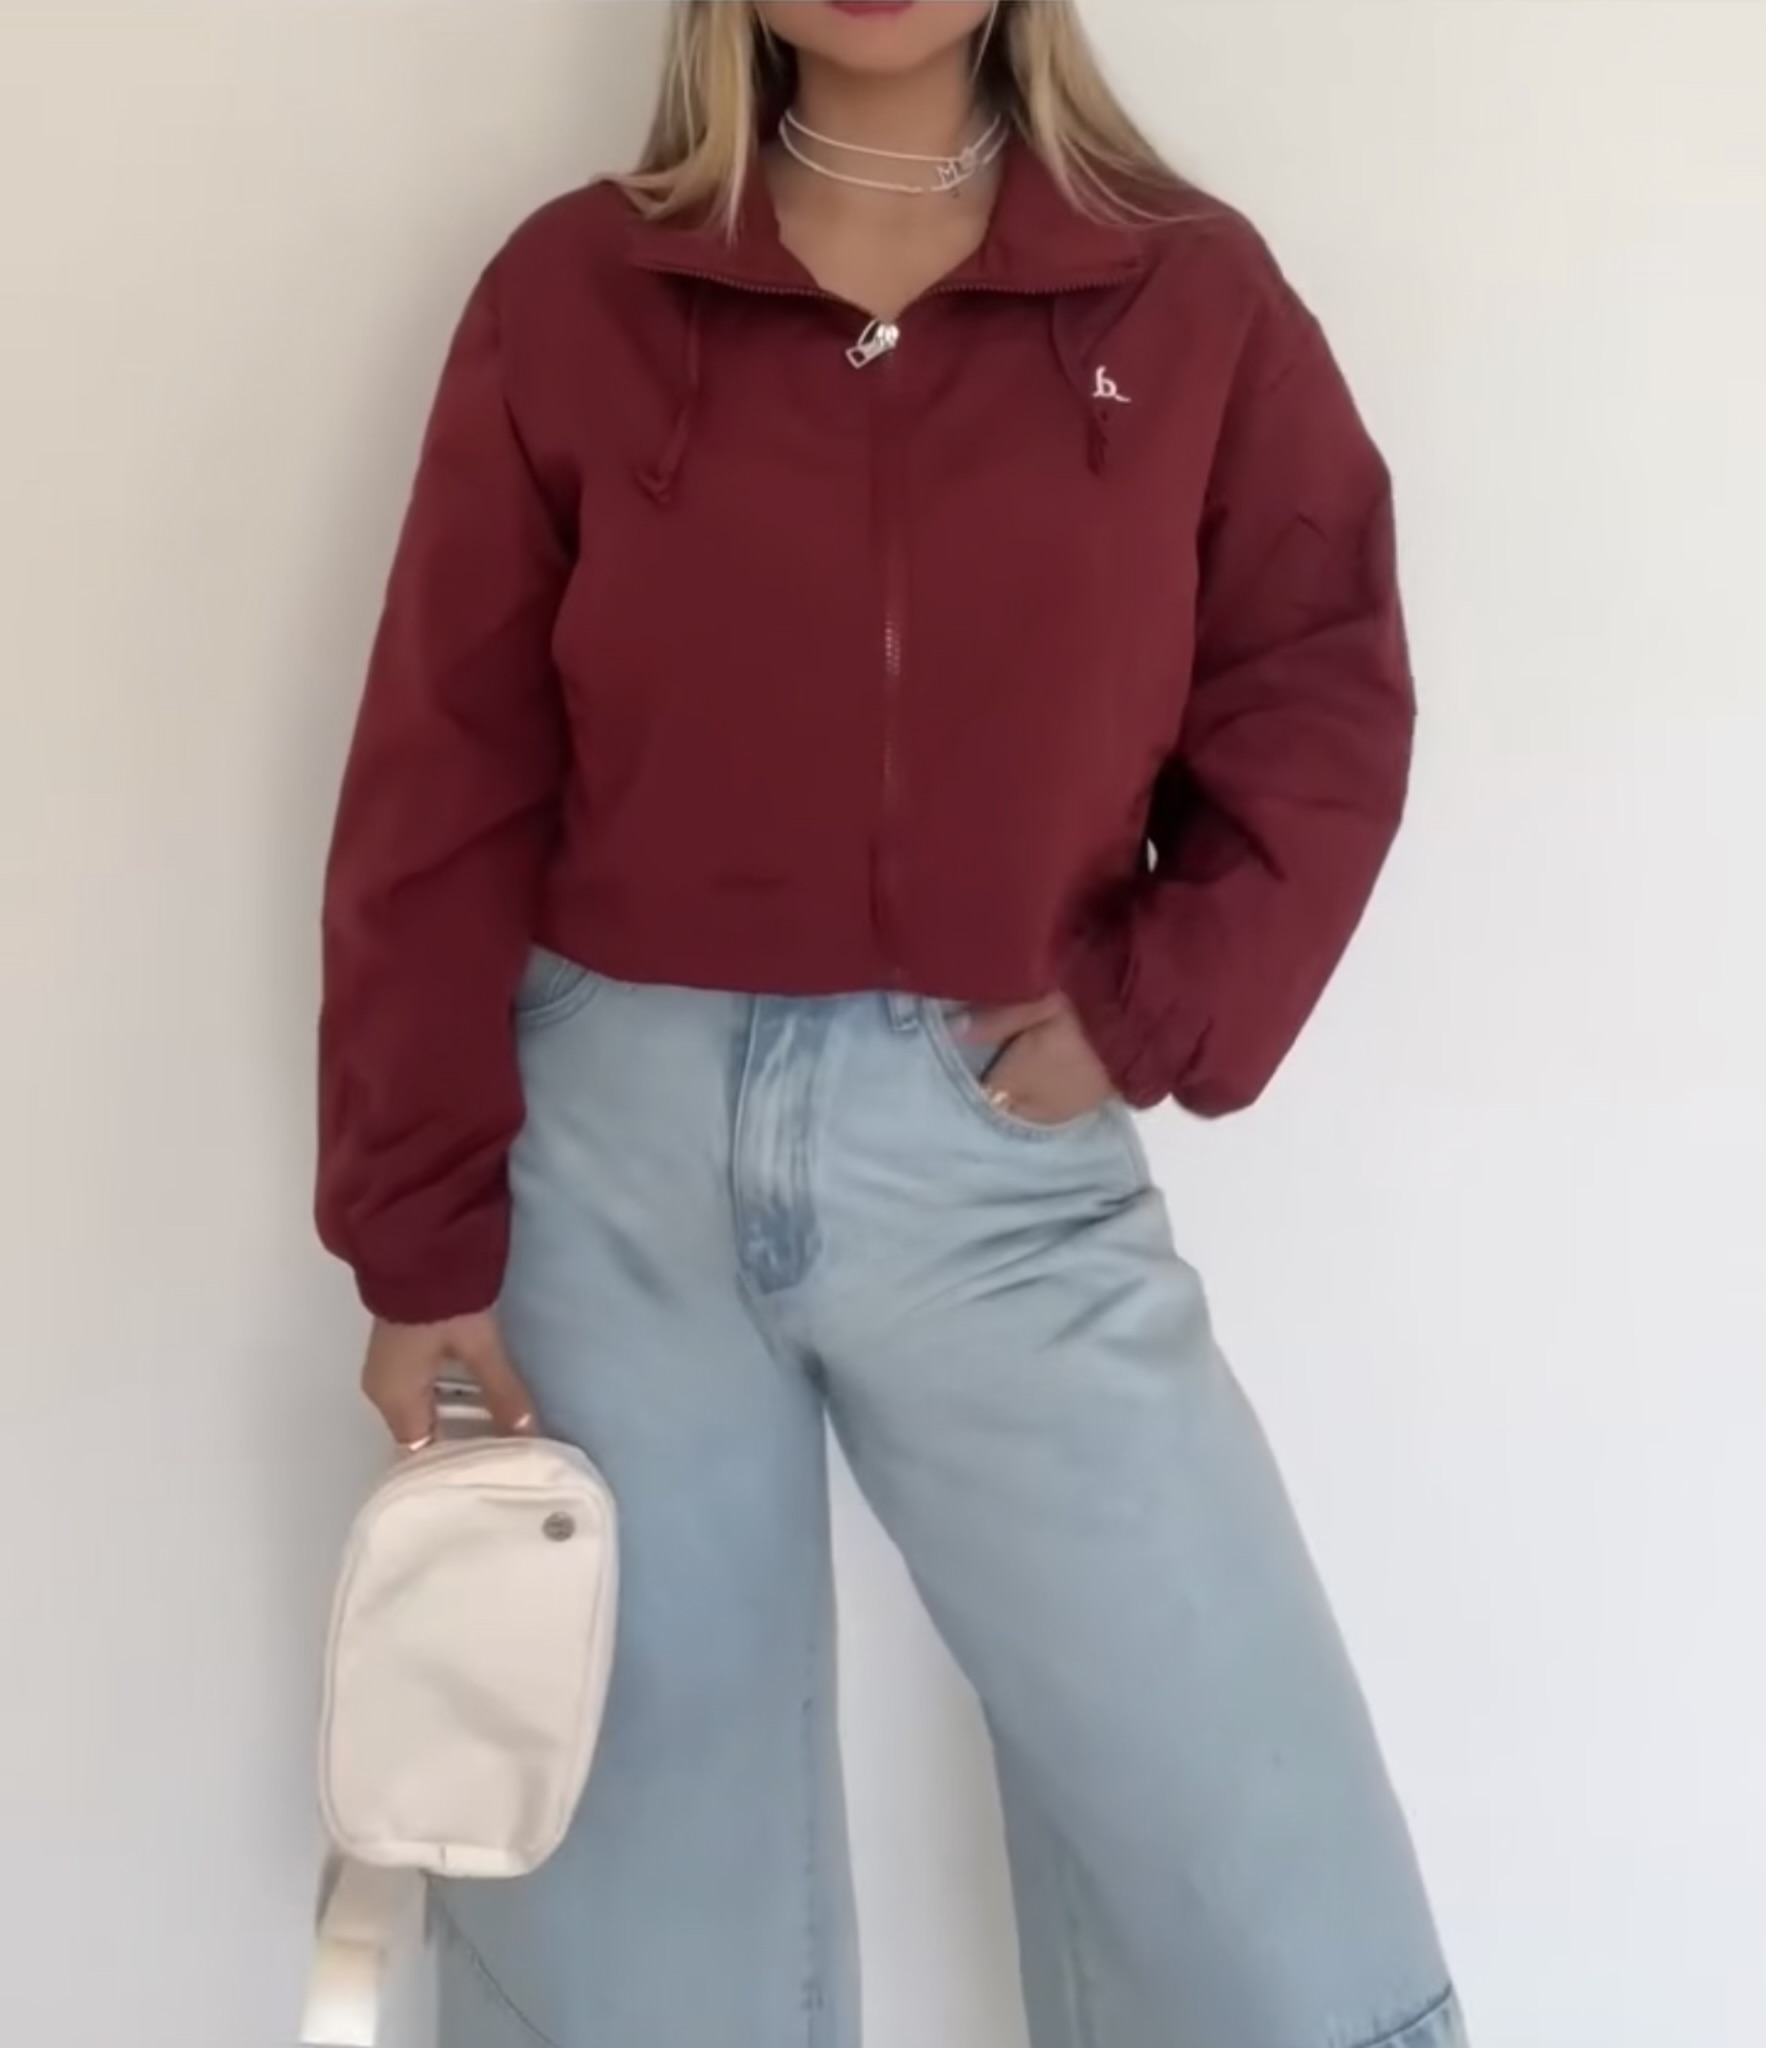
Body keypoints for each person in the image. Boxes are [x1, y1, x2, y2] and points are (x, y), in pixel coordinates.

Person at [316, 3, 1466, 2044]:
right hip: (611, 1170)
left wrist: (1157, 997)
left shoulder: (1183, 294)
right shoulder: (578, 290)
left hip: (997, 1159)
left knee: (1262, 1890)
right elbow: (445, 767)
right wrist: (419, 1234)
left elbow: (1314, 683)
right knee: (636, 1913)